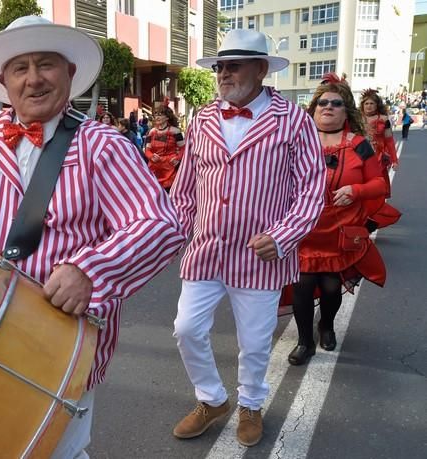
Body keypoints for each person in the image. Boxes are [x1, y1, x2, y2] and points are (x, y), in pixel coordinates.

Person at [0, 15, 184, 457]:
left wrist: (91, 270)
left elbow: (160, 225)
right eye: (20, 68)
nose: (34, 79)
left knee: (57, 447)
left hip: (66, 332)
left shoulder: (102, 145)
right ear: (3, 80)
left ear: (68, 73)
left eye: (45, 64)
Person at [170, 29, 326, 447]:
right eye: (220, 65)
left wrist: (282, 236)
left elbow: (311, 189)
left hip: (261, 256)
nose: (224, 73)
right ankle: (211, 399)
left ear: (261, 69)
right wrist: (172, 235)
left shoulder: (293, 120)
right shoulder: (202, 118)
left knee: (254, 343)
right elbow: (186, 188)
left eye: (234, 65)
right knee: (186, 328)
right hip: (206, 249)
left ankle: (251, 405)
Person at [285, 74, 387, 366]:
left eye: (336, 103)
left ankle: (326, 325)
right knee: (302, 286)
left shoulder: (359, 145)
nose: (328, 107)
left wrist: (357, 190)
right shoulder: (297, 142)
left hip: (339, 232)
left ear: (346, 110)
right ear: (314, 108)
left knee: (331, 287)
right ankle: (305, 342)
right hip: (304, 229)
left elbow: (380, 185)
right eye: (322, 102)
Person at [359, 88, 402, 231]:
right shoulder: (356, 118)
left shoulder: (384, 120)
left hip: (378, 160)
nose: (369, 106)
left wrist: (395, 160)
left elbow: (389, 141)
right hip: (359, 158)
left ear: (377, 105)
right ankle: (361, 218)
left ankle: (373, 217)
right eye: (366, 103)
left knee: (376, 191)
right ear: (362, 105)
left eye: (372, 103)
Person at [144, 105, 184, 191]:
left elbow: (183, 148)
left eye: (160, 115)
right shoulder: (152, 132)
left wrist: (178, 158)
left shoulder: (175, 131)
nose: (157, 117)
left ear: (167, 117)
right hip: (154, 167)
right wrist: (151, 156)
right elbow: (147, 150)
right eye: (156, 115)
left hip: (170, 168)